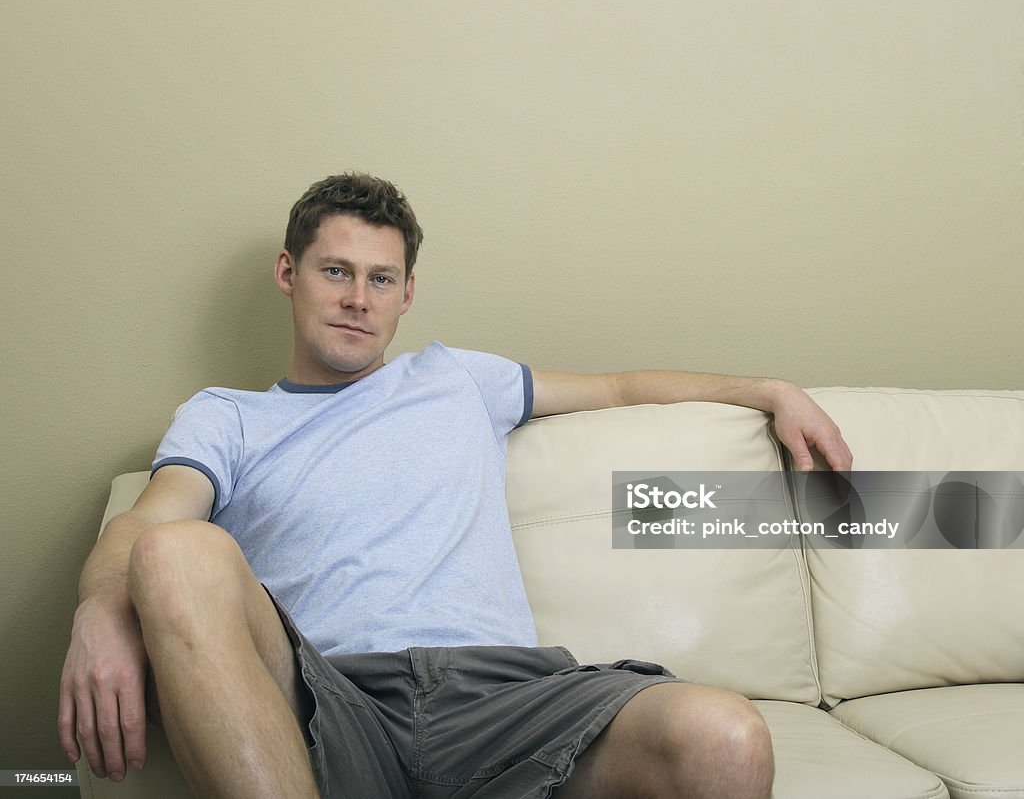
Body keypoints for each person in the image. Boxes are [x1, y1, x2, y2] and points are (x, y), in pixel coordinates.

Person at [59, 173, 852, 799]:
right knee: (176, 552)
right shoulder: (226, 418)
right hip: (329, 704)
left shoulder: (454, 379)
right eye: (335, 271)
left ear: (407, 294)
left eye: (381, 279)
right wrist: (99, 610)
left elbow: (617, 388)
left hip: (504, 700)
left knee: (726, 737)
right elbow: (145, 528)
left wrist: (768, 389)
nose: (356, 300)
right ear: (288, 272)